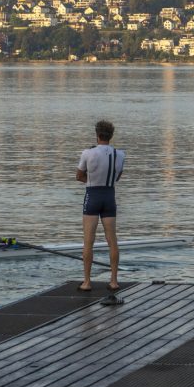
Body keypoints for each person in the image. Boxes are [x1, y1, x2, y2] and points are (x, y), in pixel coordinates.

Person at [76, 119, 124, 291]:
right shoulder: (120, 154)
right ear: (111, 136)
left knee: (88, 241)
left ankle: (87, 282)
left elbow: (79, 175)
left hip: (93, 195)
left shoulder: (88, 153)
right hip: (109, 196)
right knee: (112, 241)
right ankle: (113, 281)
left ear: (97, 136)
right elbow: (117, 177)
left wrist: (92, 180)